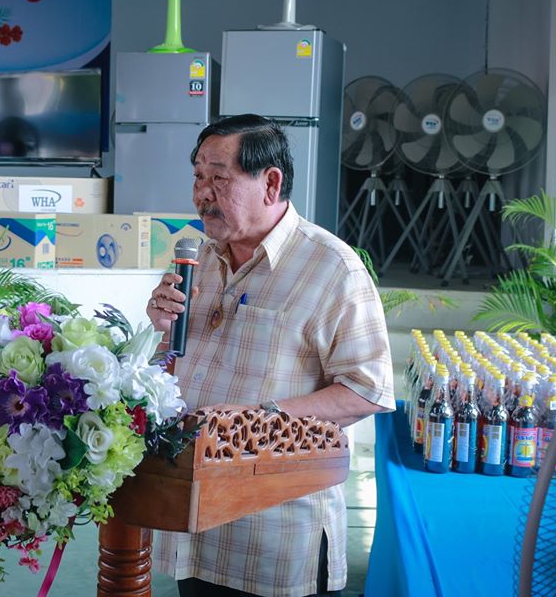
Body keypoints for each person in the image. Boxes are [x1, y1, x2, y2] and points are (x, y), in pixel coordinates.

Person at [146, 114, 395, 597]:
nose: (202, 194)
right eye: (198, 177)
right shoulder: (201, 260)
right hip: (194, 522)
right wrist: (160, 331)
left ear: (271, 183)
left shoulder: (332, 268)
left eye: (219, 178)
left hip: (275, 534)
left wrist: (255, 422)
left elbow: (367, 391)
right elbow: (170, 367)